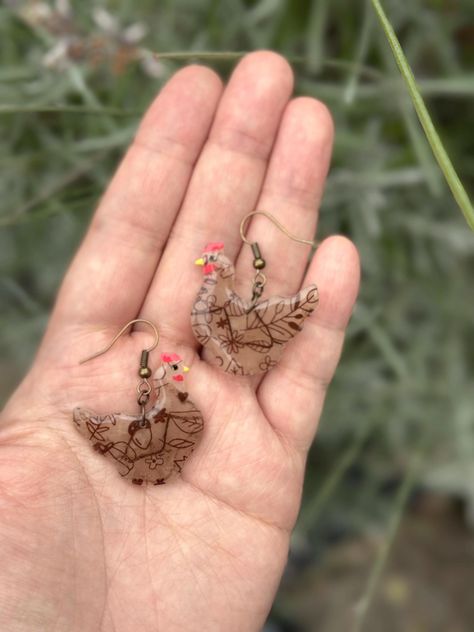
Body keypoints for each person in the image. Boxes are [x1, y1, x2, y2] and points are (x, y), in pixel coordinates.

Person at [0, 51, 360, 631]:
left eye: (213, 262)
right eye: (211, 263)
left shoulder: (212, 357)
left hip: (197, 387)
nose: (209, 265)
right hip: (165, 422)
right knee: (143, 427)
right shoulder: (177, 388)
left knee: (169, 407)